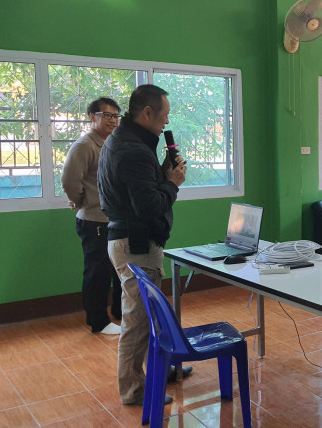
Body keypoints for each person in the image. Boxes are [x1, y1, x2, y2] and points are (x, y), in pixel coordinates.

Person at [99, 84, 189, 405]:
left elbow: (139, 191)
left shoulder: (123, 141)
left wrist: (163, 173)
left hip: (128, 240)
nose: (167, 122)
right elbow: (149, 206)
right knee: (137, 322)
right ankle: (134, 391)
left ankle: (161, 369)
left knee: (151, 316)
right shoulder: (133, 150)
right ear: (148, 113)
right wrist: (172, 183)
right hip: (135, 245)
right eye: (164, 115)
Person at [61, 97, 124, 335]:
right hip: (94, 220)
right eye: (107, 115)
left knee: (120, 270)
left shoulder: (113, 143)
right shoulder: (85, 145)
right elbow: (69, 181)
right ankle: (98, 321)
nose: (113, 121)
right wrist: (81, 201)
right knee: (98, 272)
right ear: (92, 117)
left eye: (116, 116)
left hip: (115, 219)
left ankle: (120, 312)